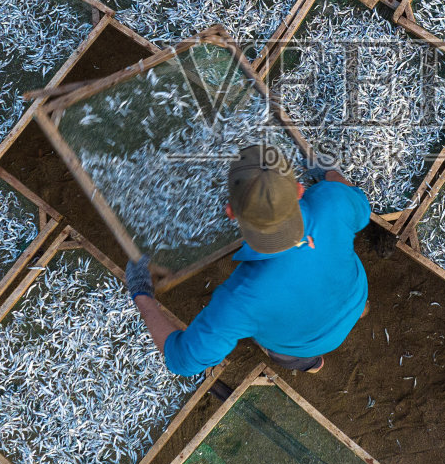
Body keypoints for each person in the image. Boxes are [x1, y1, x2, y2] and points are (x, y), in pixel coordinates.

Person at [124, 144, 371, 376]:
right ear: (298, 189)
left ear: (231, 212)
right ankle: (359, 311)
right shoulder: (332, 202)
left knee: (288, 353)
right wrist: (329, 173)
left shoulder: (239, 300)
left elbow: (183, 361)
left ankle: (311, 363)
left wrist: (142, 294)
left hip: (303, 344)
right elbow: (359, 203)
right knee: (343, 295)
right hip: (355, 296)